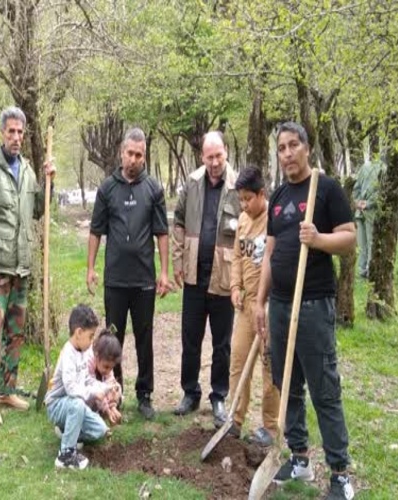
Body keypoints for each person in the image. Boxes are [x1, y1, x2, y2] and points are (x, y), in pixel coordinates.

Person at [254, 122, 356, 500]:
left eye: (293, 145)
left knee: (323, 388)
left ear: (307, 148)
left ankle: (340, 473)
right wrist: (261, 301)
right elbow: (271, 253)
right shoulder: (279, 196)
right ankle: (299, 456)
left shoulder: (325, 189)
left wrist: (318, 239)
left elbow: (348, 238)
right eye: (281, 147)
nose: (287, 153)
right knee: (287, 384)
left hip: (313, 305)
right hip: (280, 304)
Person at [0, 106, 55, 427]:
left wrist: (50, 181)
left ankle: (8, 389)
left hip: (23, 265)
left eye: (21, 132)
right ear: (1, 133)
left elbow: (37, 209)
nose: (17, 137)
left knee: (16, 333)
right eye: (11, 131)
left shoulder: (28, 170)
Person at [87, 127, 170, 420]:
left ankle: (145, 394)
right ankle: (114, 390)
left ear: (144, 156)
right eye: (130, 153)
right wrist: (90, 268)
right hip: (115, 279)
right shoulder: (107, 189)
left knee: (145, 337)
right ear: (122, 153)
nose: (134, 159)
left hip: (144, 279)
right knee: (113, 337)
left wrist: (164, 273)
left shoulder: (154, 189)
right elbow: (96, 231)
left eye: (139, 155)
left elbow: (162, 233)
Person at [170, 131, 239, 427]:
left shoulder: (238, 186)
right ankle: (190, 392)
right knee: (191, 338)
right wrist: (177, 261)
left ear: (226, 153)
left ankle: (219, 396)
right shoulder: (192, 183)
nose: (214, 162)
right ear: (202, 156)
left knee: (222, 342)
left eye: (218, 156)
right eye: (209, 157)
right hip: (195, 276)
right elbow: (179, 222)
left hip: (224, 277)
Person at [227, 167, 279, 446]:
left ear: (262, 194)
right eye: (241, 200)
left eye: (248, 199)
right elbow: (236, 257)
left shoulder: (275, 220)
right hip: (246, 306)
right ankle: (235, 420)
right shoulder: (243, 222)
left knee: (270, 366)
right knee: (238, 360)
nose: (244, 205)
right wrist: (235, 287)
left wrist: (268, 298)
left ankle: (270, 428)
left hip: (270, 308)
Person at [44, 305, 111, 470]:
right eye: (91, 336)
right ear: (79, 332)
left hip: (74, 406)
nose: (92, 340)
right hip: (57, 405)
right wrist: (94, 392)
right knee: (77, 403)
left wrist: (105, 387)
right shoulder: (68, 354)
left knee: (100, 429)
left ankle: (66, 431)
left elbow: (87, 380)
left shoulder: (85, 351)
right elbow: (72, 390)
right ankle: (65, 455)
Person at [352, 159, 384, 279]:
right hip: (363, 212)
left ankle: (368, 270)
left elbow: (381, 193)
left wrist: (362, 202)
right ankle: (364, 270)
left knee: (367, 243)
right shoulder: (368, 167)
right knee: (365, 243)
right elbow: (356, 187)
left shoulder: (382, 168)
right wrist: (358, 202)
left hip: (368, 211)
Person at [87, 328, 123, 426]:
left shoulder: (106, 366)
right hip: (86, 391)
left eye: (111, 368)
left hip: (98, 391)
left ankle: (100, 412)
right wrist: (107, 411)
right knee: (96, 393)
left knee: (116, 387)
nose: (107, 370)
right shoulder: (88, 361)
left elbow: (110, 383)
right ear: (97, 356)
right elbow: (94, 388)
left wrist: (113, 407)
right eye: (106, 366)